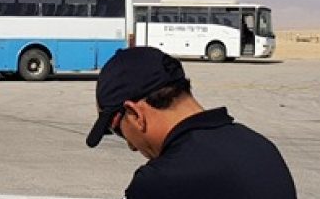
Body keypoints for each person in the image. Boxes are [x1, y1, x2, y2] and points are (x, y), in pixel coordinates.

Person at [86, 47, 296, 199]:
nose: (131, 146)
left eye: (119, 131)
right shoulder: (260, 147)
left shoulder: (160, 182)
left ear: (135, 114)